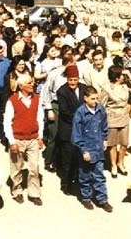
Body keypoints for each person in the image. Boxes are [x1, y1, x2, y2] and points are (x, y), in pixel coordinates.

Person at [3, 74, 44, 205]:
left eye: (32, 82)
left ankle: (34, 193)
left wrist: (40, 136)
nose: (32, 85)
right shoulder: (12, 101)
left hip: (32, 138)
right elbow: (7, 122)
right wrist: (11, 141)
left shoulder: (37, 99)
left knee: (34, 167)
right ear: (21, 86)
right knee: (16, 167)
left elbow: (40, 119)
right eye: (29, 83)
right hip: (18, 139)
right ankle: (17, 191)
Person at [71, 85, 113, 212]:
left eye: (97, 98)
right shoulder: (80, 113)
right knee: (85, 175)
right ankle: (86, 198)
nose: (96, 101)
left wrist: (105, 139)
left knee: (99, 175)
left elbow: (104, 125)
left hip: (98, 147)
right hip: (87, 149)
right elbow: (76, 134)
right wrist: (83, 150)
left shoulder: (100, 109)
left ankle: (102, 200)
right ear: (85, 98)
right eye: (93, 99)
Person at [98, 65, 131, 178]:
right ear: (116, 77)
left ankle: (121, 163)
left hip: (124, 118)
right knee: (113, 145)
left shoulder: (125, 87)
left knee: (124, 143)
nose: (124, 76)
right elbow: (101, 105)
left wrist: (130, 75)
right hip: (112, 119)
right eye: (122, 75)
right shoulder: (106, 89)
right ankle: (113, 165)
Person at [56, 64, 86, 195]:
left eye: (75, 79)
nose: (73, 82)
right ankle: (66, 185)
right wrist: (82, 117)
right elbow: (65, 111)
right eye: (70, 80)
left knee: (79, 157)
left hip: (83, 130)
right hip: (68, 129)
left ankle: (78, 181)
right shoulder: (62, 91)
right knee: (67, 159)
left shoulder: (84, 88)